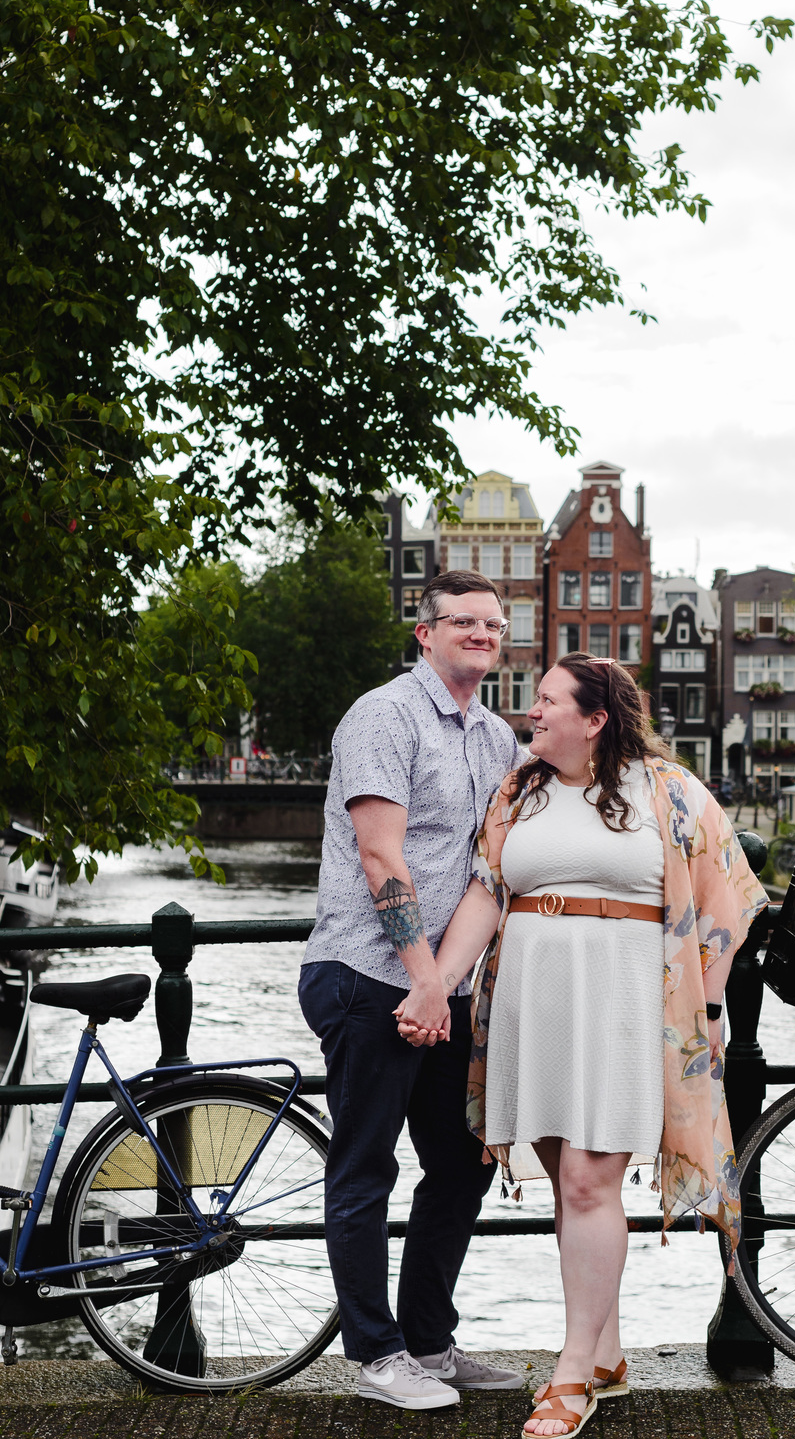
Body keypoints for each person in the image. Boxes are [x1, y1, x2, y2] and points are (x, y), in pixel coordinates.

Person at [400, 654, 768, 1437]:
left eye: (545, 701)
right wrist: (436, 984)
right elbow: (485, 893)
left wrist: (706, 1001)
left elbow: (727, 896)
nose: (530, 713)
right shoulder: (519, 791)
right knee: (568, 1170)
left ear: (596, 719)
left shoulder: (668, 791)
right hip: (531, 1003)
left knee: (589, 1182)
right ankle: (605, 1353)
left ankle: (571, 1377)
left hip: (625, 1001)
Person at [297, 569, 529, 1410]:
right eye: (463, 621)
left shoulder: (496, 738)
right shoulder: (382, 716)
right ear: (423, 632)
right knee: (364, 1168)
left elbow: (493, 864)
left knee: (463, 1163)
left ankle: (428, 1343)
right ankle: (376, 1355)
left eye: (493, 625)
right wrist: (425, 979)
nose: (481, 633)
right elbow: (380, 857)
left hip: (444, 988)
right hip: (368, 975)